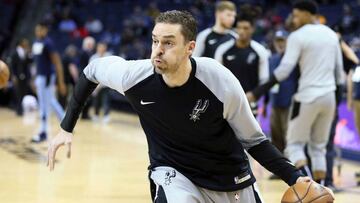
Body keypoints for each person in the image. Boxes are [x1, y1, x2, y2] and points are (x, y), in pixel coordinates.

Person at [48, 10, 312, 203]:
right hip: (174, 174)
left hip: (230, 178)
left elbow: (255, 142)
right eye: (155, 41)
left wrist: (295, 178)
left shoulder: (219, 81)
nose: (157, 50)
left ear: (190, 48)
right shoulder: (134, 76)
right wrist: (66, 127)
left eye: (168, 42)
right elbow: (92, 71)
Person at [247, 0, 344, 185]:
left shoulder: (298, 36)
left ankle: (310, 188)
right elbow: (339, 73)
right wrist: (336, 103)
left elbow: (284, 71)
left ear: (308, 14)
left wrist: (258, 92)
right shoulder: (332, 35)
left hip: (307, 96)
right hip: (329, 97)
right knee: (318, 148)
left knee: (293, 145)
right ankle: (321, 188)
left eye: (297, 14)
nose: (295, 18)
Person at [214, 7, 269, 116]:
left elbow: (264, 80)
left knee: (249, 133)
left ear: (253, 29)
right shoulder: (223, 50)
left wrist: (254, 95)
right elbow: (216, 78)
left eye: (246, 28)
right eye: (239, 28)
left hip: (251, 103)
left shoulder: (260, 51)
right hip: (227, 102)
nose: (241, 31)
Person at [31, 22, 66, 143]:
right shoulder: (36, 42)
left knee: (44, 105)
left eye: (41, 29)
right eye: (37, 29)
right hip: (39, 76)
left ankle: (43, 132)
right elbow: (36, 63)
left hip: (47, 76)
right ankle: (66, 120)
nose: (38, 31)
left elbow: (57, 62)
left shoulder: (48, 43)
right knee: (50, 100)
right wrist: (34, 78)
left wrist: (61, 82)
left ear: (45, 30)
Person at [89, 42, 112, 123]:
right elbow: (91, 71)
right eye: (100, 47)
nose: (101, 49)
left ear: (105, 48)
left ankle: (106, 116)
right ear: (97, 48)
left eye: (103, 47)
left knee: (105, 100)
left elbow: (109, 71)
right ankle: (96, 115)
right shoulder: (93, 57)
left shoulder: (109, 56)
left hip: (106, 83)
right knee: (96, 100)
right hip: (96, 83)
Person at [10, 38, 33, 116]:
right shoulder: (14, 52)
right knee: (17, 93)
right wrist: (13, 75)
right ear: (21, 43)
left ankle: (21, 109)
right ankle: (18, 110)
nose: (27, 43)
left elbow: (30, 62)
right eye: (25, 42)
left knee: (24, 93)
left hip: (25, 76)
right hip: (17, 76)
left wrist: (29, 54)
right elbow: (12, 65)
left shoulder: (26, 51)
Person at [78, 36, 95, 120]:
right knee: (84, 97)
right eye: (91, 44)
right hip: (84, 76)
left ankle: (85, 114)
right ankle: (83, 114)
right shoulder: (83, 53)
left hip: (88, 76)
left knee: (88, 97)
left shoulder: (90, 53)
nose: (92, 45)